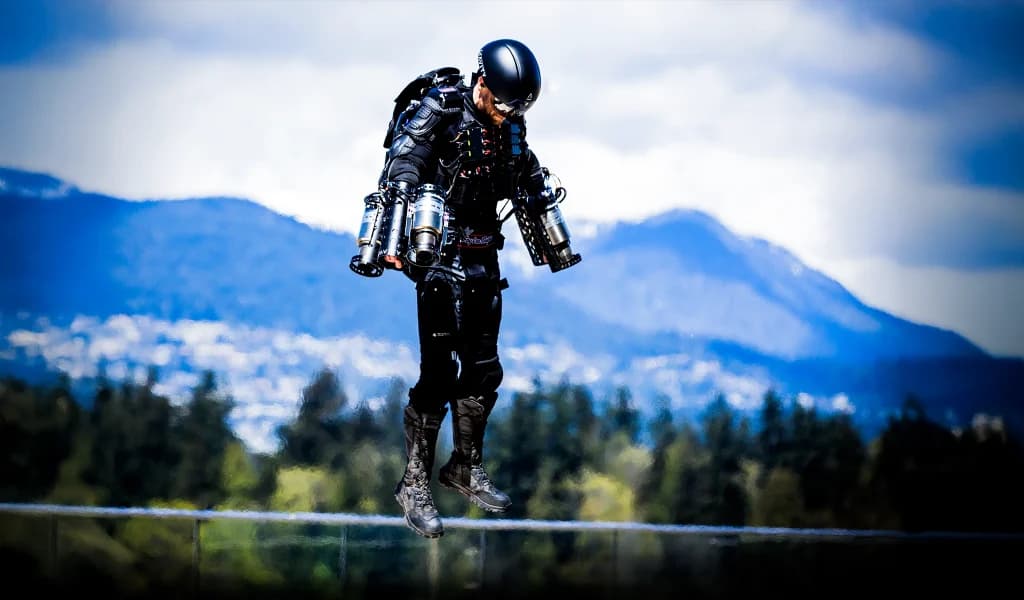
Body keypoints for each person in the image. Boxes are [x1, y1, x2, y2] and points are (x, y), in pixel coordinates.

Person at [381, 39, 549, 538]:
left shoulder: (510, 125)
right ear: (482, 84)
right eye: (502, 103)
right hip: (436, 254)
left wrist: (539, 192)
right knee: (437, 373)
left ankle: (464, 467)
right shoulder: (441, 108)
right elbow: (403, 160)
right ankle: (414, 484)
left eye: (518, 108)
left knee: (483, 367)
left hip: (481, 252)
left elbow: (525, 169)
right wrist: (404, 203)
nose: (508, 114)